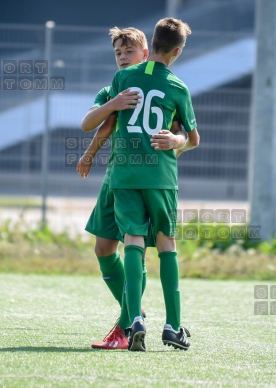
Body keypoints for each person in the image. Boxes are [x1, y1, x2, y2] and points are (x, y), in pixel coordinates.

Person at [78, 26, 187, 350]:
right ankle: (135, 311)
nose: (123, 58)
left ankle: (127, 323)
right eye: (118, 53)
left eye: (129, 52)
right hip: (117, 177)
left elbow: (181, 135)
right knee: (103, 249)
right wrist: (113, 104)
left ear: (146, 54)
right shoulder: (116, 87)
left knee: (133, 243)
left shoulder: (157, 86)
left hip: (141, 178)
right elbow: (93, 123)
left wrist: (176, 141)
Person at [109, 17, 200, 352]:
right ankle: (173, 327)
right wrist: (174, 139)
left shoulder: (123, 77)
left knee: (131, 239)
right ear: (177, 51)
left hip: (125, 173)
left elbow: (107, 120)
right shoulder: (177, 87)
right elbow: (193, 140)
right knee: (166, 243)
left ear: (151, 44)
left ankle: (134, 320)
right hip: (160, 176)